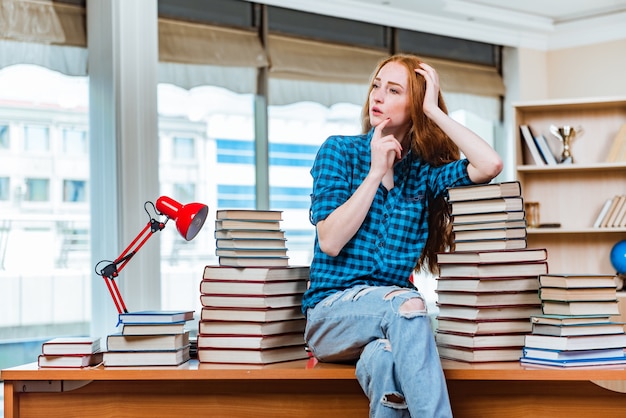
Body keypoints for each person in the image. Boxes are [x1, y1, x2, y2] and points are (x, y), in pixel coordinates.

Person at [302, 53, 503, 417]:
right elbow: (330, 241)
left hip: (388, 328)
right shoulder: (340, 151)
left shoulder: (422, 174)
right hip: (331, 318)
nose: (377, 96)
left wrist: (435, 112)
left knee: (384, 361)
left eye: (394, 90)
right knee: (409, 304)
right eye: (376, 86)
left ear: (415, 108)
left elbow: (489, 165)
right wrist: (375, 172)